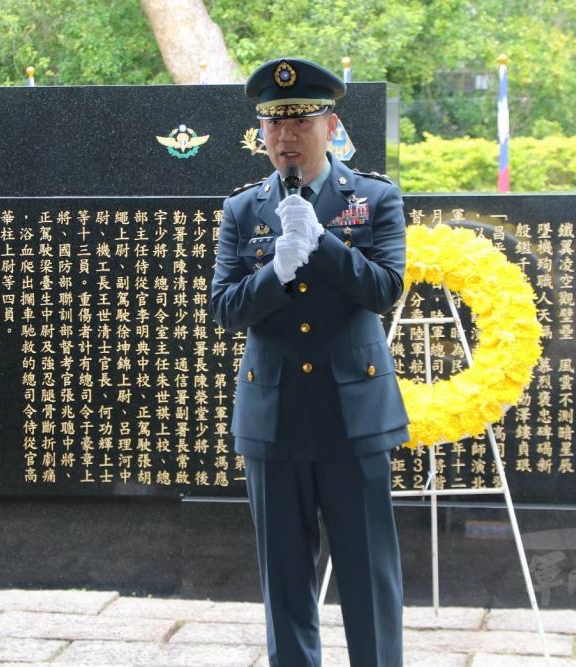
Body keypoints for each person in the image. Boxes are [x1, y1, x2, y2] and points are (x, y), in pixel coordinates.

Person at [209, 57, 409, 667]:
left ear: (331, 126)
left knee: (368, 576)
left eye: (301, 122)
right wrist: (275, 270)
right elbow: (225, 308)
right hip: (275, 417)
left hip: (354, 414)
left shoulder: (374, 197)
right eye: (274, 124)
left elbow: (386, 288)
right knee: (286, 583)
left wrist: (323, 246)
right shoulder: (243, 209)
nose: (286, 137)